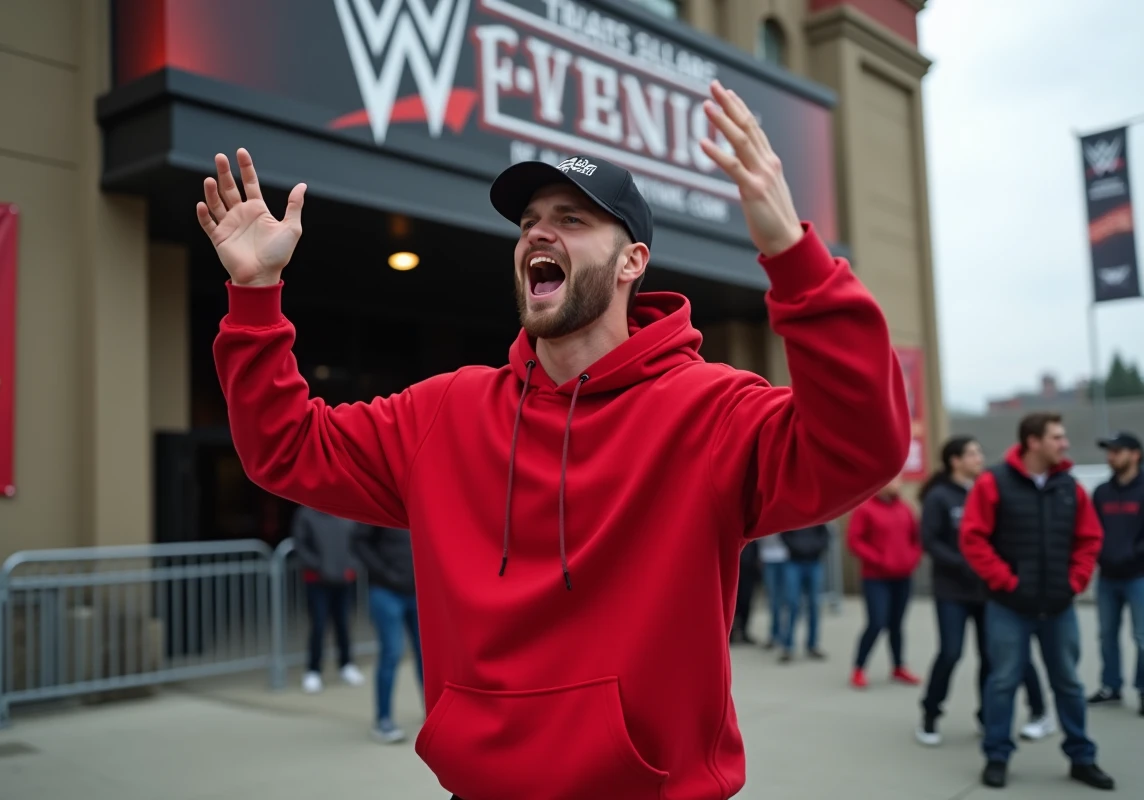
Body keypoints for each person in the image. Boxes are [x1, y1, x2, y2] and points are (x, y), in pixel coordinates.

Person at [198, 81, 912, 799]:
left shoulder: (711, 411)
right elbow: (283, 447)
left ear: (631, 262)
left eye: (571, 219)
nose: (539, 233)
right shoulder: (445, 410)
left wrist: (793, 257)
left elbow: (860, 446)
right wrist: (256, 296)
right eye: (529, 222)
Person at [959, 412, 1113, 790]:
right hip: (1008, 606)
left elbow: (1089, 540)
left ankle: (1082, 757)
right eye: (1057, 437)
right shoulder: (993, 483)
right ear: (1033, 441)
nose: (1064, 444)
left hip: (1058, 607)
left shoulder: (1070, 488)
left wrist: (1074, 582)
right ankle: (997, 756)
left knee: (1069, 684)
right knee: (1002, 683)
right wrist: (1007, 582)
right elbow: (973, 539)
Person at [916, 436, 1052, 747]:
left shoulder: (986, 491)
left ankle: (986, 715)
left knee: (990, 657)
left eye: (980, 451)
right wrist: (966, 564)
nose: (980, 458)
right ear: (955, 461)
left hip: (987, 591)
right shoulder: (939, 497)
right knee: (950, 653)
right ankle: (930, 715)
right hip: (952, 590)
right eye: (973, 453)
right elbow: (931, 542)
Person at [351, 523, 424, 744]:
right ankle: (383, 720)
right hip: (387, 591)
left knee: (427, 655)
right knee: (392, 652)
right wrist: (385, 573)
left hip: (418, 590)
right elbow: (358, 541)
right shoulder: (383, 502)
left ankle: (433, 713)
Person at [1087, 430, 1144, 715]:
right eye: (1109, 451)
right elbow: (1091, 531)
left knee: (1142, 635)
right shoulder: (1101, 492)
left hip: (1139, 576)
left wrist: (1133, 554)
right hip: (1107, 576)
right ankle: (1111, 686)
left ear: (1135, 454)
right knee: (1106, 634)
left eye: (1117, 451)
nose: (1111, 457)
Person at [847, 477, 923, 689]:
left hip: (902, 576)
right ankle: (859, 668)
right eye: (894, 480)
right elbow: (855, 541)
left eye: (899, 480)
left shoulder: (905, 508)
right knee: (877, 622)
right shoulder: (865, 509)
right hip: (876, 577)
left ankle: (899, 666)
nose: (898, 484)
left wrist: (912, 558)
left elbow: (916, 538)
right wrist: (880, 560)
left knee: (897, 624)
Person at [291, 504, 366, 692]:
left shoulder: (345, 511)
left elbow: (357, 542)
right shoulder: (306, 513)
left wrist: (351, 565)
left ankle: (346, 665)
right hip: (317, 580)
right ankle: (313, 671)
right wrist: (318, 566)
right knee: (318, 625)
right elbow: (300, 545)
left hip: (343, 578)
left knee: (343, 623)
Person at [777, 523, 831, 661]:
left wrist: (815, 548)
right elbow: (783, 533)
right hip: (794, 562)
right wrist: (797, 548)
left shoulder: (816, 511)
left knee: (814, 604)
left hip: (814, 562)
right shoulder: (791, 512)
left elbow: (825, 535)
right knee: (792, 603)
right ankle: (787, 646)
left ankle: (812, 645)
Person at [757, 532, 791, 650]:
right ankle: (774, 634)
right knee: (773, 600)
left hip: (786, 557)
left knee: (786, 600)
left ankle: (785, 635)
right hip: (768, 557)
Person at [732, 540, 761, 645]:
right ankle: (731, 633)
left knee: (746, 601)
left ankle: (744, 631)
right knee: (733, 603)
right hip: (733, 566)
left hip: (749, 569)